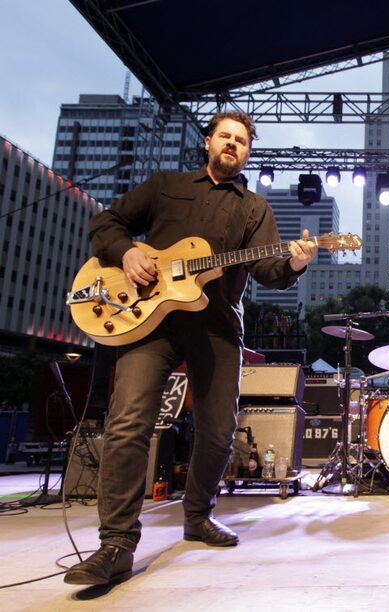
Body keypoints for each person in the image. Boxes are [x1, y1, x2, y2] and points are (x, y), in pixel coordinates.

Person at [64, 111, 318, 586]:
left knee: (220, 431)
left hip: (218, 325)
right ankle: (115, 543)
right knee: (128, 421)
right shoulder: (164, 186)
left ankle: (198, 516)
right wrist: (128, 252)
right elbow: (107, 222)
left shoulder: (254, 208)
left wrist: (295, 265)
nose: (232, 144)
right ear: (208, 142)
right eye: (225, 136)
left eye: (241, 141)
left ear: (247, 152)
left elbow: (266, 272)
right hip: (149, 322)